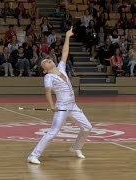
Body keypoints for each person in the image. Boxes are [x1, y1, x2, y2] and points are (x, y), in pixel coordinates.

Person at [27, 27, 92, 165]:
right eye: (45, 62)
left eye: (47, 59)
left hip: (73, 105)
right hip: (61, 107)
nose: (48, 60)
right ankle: (33, 155)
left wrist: (68, 36)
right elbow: (48, 92)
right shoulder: (48, 77)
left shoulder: (61, 68)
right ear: (44, 69)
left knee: (87, 127)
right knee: (53, 132)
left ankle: (76, 148)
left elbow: (65, 52)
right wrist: (52, 106)